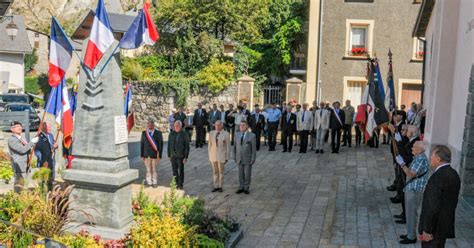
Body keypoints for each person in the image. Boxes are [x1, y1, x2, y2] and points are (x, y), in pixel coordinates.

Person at [418, 145, 460, 248]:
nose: (430, 159)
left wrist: (427, 230)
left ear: (438, 159)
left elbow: (432, 206)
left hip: (433, 230)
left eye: (431, 156)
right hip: (444, 226)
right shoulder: (454, 174)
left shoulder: (437, 178)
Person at [395, 141, 429, 244]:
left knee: (411, 214)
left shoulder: (421, 159)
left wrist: (402, 164)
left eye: (414, 147)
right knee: (409, 213)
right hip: (411, 188)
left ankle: (411, 237)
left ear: (420, 149)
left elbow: (410, 174)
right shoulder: (418, 157)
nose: (412, 148)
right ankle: (410, 233)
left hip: (415, 190)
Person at [8, 121, 39, 193]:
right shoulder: (12, 140)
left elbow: (27, 150)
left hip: (26, 164)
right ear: (12, 129)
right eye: (16, 127)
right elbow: (22, 150)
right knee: (19, 186)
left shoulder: (21, 138)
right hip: (19, 166)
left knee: (24, 185)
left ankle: (22, 199)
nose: (19, 128)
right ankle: (17, 201)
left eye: (20, 126)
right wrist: (32, 142)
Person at [234, 121, 256, 194]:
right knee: (240, 174)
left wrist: (253, 158)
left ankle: (246, 188)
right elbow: (235, 147)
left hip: (248, 158)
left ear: (247, 126)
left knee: (247, 174)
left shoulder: (252, 135)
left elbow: (253, 149)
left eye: (243, 125)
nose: (241, 127)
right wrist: (234, 156)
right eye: (240, 125)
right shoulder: (236, 134)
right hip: (239, 158)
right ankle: (241, 187)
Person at [208, 121, 230, 192]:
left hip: (221, 156)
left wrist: (227, 157)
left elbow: (228, 147)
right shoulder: (211, 133)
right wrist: (210, 155)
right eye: (216, 125)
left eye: (219, 125)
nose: (217, 127)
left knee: (221, 172)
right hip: (213, 156)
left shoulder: (226, 134)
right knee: (215, 172)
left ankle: (220, 186)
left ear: (222, 126)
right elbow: (209, 145)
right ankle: (215, 185)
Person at [34, 122, 58, 191]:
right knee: (43, 179)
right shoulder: (38, 137)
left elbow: (53, 144)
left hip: (51, 159)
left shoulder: (50, 135)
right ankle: (42, 193)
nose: (50, 128)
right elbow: (37, 151)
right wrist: (42, 159)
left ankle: (49, 191)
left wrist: (55, 146)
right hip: (44, 161)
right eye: (48, 127)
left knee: (50, 177)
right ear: (44, 127)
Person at [140, 119, 164, 188]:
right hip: (146, 155)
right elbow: (142, 144)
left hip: (155, 155)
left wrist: (160, 155)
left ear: (153, 125)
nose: (150, 125)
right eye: (148, 124)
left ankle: (154, 182)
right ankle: (149, 182)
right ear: (147, 125)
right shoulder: (144, 133)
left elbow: (160, 145)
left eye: (151, 124)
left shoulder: (158, 133)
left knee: (154, 169)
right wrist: (142, 155)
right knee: (148, 170)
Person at [168, 120, 190, 190]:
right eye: (175, 126)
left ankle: (181, 184)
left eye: (177, 126)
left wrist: (185, 157)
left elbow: (187, 147)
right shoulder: (171, 134)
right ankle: (176, 183)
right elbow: (169, 145)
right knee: (174, 171)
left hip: (181, 156)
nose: (176, 127)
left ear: (180, 126)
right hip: (173, 156)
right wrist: (169, 155)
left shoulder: (184, 134)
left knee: (180, 171)